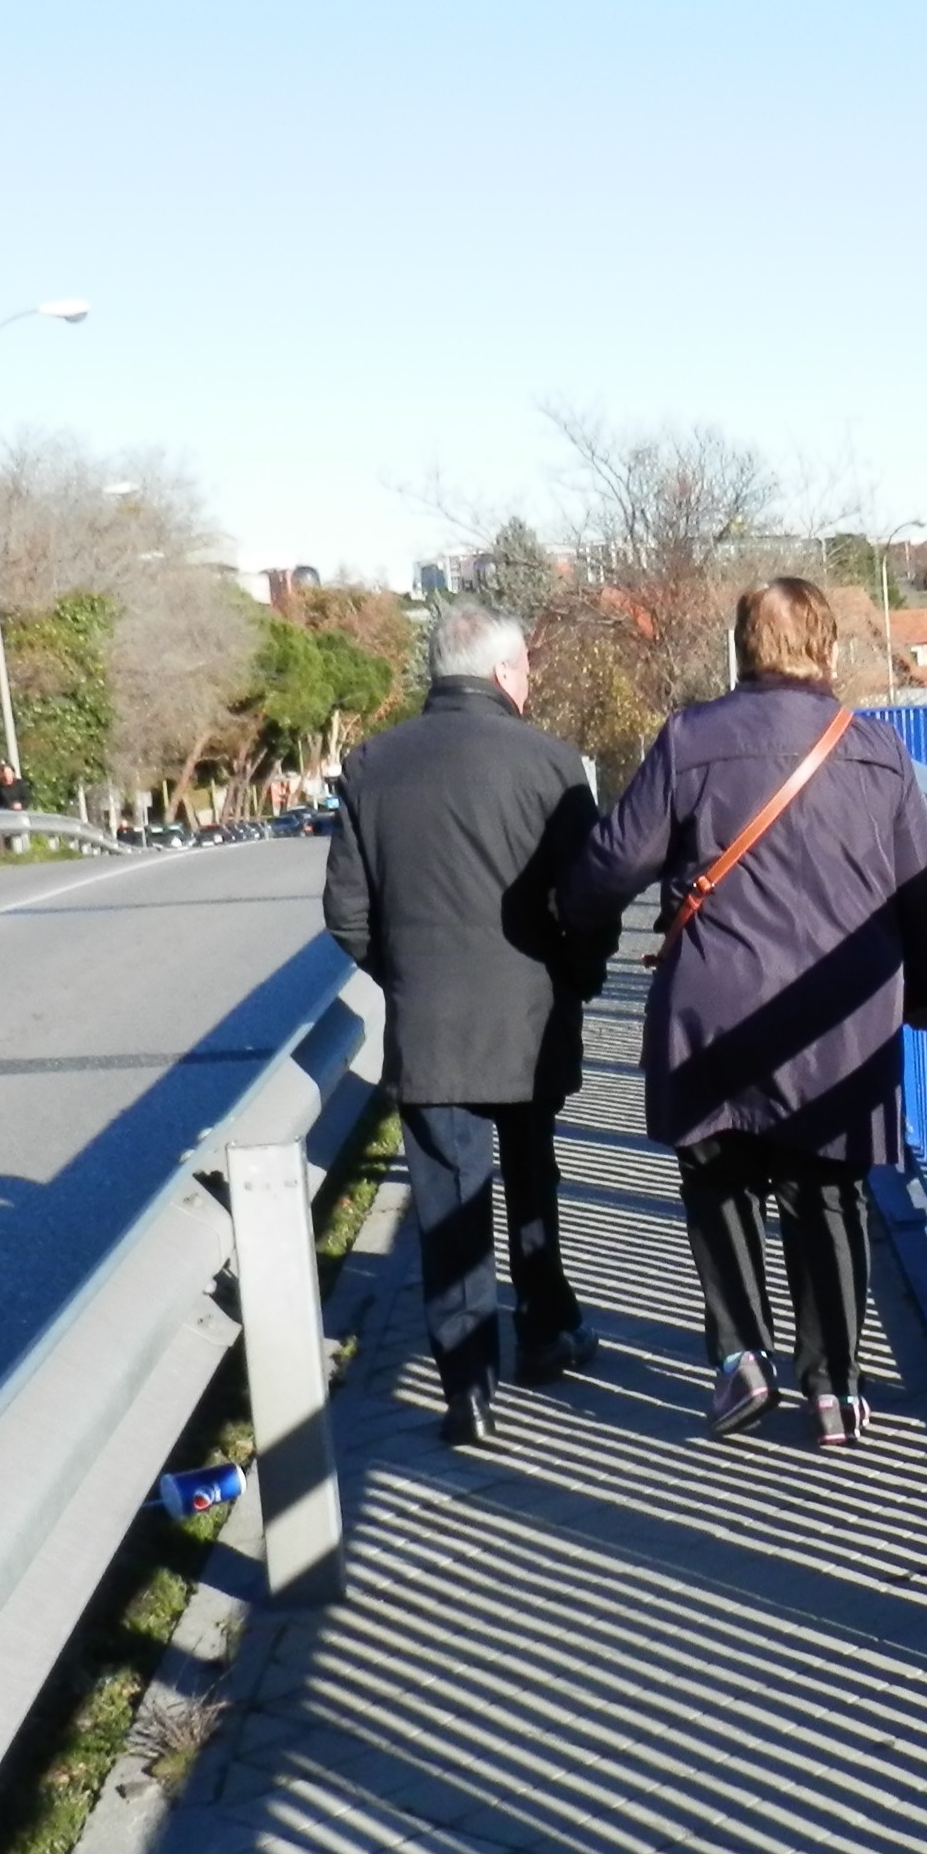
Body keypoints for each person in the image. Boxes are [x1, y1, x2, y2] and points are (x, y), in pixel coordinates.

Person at [562, 576, 927, 1448]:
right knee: (828, 1192)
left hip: (714, 1008)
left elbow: (610, 865)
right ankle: (835, 1390)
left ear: (743, 649)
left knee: (719, 1177)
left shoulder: (690, 739)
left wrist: (565, 924)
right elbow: (926, 894)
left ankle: (742, 1357)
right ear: (826, 649)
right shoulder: (878, 751)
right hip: (838, 1023)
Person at [324, 608, 611, 1445]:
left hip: (432, 1023)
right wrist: (579, 978)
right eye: (526, 667)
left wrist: (403, 977)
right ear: (503, 673)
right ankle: (548, 1331)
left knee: (446, 1199)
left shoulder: (373, 764)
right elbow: (589, 898)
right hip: (530, 1016)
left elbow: (345, 913)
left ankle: (468, 1388)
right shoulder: (552, 764)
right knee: (532, 1180)